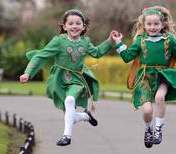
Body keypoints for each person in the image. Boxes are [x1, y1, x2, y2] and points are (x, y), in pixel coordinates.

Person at [111, 6, 176, 148]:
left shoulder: (170, 40)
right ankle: (148, 129)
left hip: (164, 76)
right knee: (148, 110)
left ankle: (158, 129)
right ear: (144, 25)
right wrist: (119, 43)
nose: (152, 27)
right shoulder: (140, 41)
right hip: (145, 78)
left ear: (162, 25)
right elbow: (127, 57)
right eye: (149, 24)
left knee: (160, 97)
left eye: (156, 24)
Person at [19, 9, 115, 146]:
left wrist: (110, 41)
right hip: (59, 79)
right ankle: (85, 116)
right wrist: (27, 72)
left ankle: (66, 136)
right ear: (65, 26)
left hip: (77, 79)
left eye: (78, 23)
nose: (74, 26)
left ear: (83, 27)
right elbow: (41, 55)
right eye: (70, 23)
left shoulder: (86, 42)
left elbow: (98, 53)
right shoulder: (58, 41)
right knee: (69, 116)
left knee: (70, 100)